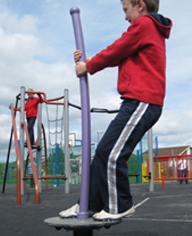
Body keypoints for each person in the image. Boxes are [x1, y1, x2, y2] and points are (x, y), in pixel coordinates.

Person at [60, 0, 172, 220]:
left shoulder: (146, 24)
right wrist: (91, 60)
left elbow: (118, 48)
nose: (125, 17)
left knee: (112, 154)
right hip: (135, 101)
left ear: (139, 5)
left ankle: (120, 205)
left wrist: (88, 66)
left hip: (143, 101)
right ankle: (89, 204)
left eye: (126, 10)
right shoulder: (146, 30)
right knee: (102, 152)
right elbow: (119, 53)